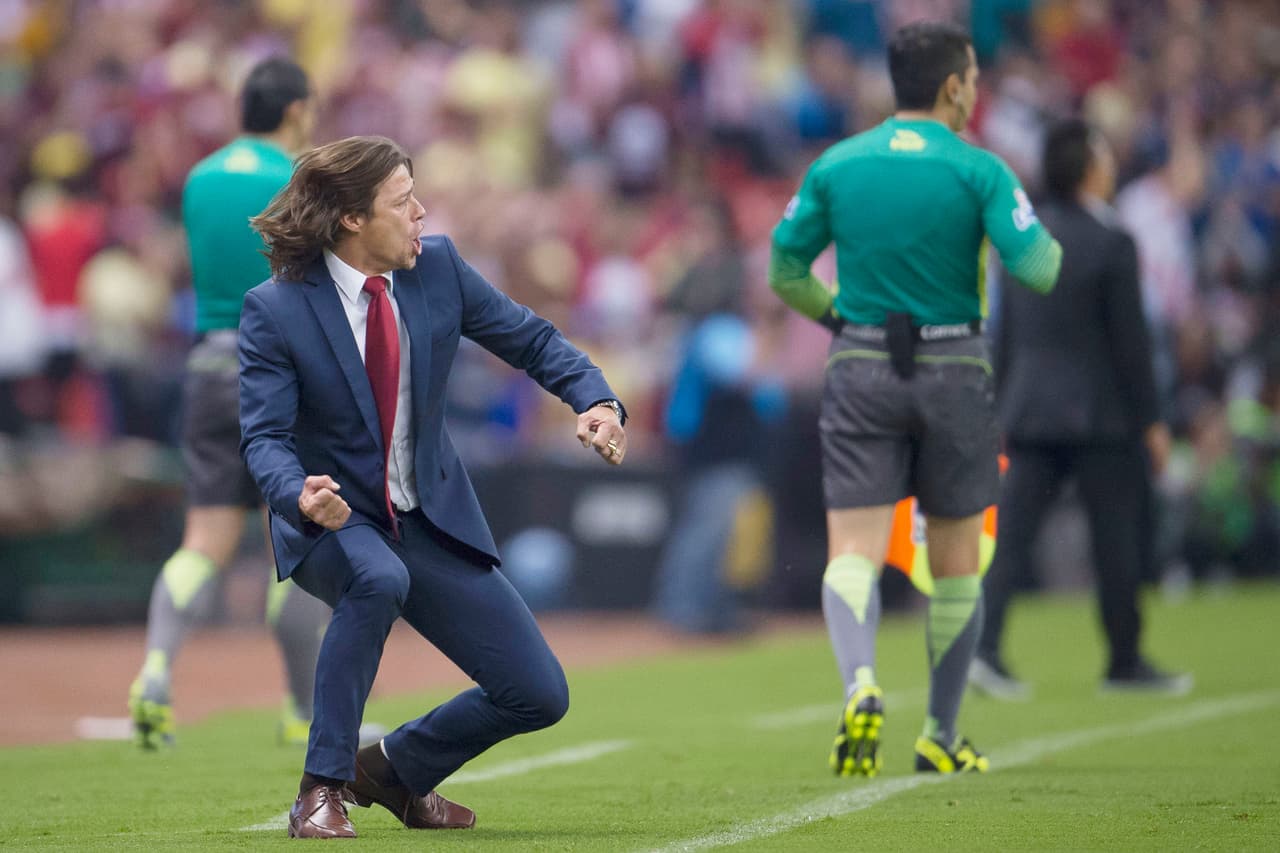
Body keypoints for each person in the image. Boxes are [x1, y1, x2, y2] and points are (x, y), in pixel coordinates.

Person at [240, 135, 627, 838]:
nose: (421, 213)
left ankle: (389, 768)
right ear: (353, 219)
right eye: (403, 201)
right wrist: (298, 493)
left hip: (427, 517)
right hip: (334, 521)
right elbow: (263, 439)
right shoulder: (277, 308)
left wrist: (595, 400)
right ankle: (319, 787)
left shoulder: (438, 267)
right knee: (376, 577)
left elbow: (532, 340)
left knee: (539, 693)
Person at [768, 20, 1062, 778]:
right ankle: (941, 730)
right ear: (953, 86)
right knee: (957, 560)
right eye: (972, 77)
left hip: (862, 360)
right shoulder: (979, 168)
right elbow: (1039, 267)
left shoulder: (837, 163)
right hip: (956, 365)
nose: (976, 90)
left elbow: (784, 267)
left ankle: (860, 680)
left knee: (855, 549)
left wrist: (843, 318)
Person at [127, 57, 334, 750]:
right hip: (278, 369)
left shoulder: (199, 177)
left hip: (209, 362)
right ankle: (303, 713)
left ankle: (155, 668)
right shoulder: (298, 180)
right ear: (297, 109)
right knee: (300, 540)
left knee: (203, 544)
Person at [970, 118, 1192, 700]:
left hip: (1030, 410)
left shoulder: (1023, 238)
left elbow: (1005, 335)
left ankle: (984, 649)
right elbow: (1130, 343)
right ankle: (1124, 659)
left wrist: (999, 406)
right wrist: (1152, 420)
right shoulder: (1113, 240)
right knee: (1115, 538)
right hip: (1102, 414)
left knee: (1012, 536)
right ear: (1092, 168)